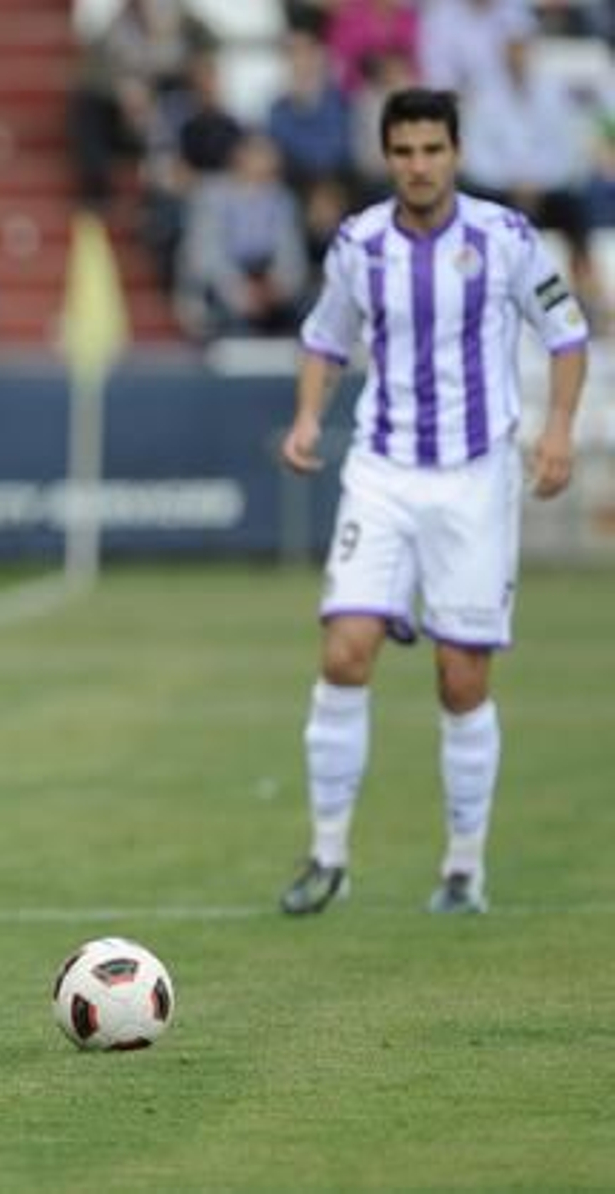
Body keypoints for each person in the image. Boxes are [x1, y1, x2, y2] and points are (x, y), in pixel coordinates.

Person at [278, 88, 589, 917]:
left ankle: (462, 867)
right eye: (404, 152)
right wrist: (308, 416)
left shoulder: (505, 238)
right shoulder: (359, 244)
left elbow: (566, 332)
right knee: (345, 651)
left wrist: (558, 428)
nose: (419, 165)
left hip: (474, 479)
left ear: (456, 152)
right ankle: (328, 855)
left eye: (432, 150)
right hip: (381, 470)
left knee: (461, 677)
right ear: (388, 158)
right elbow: (324, 337)